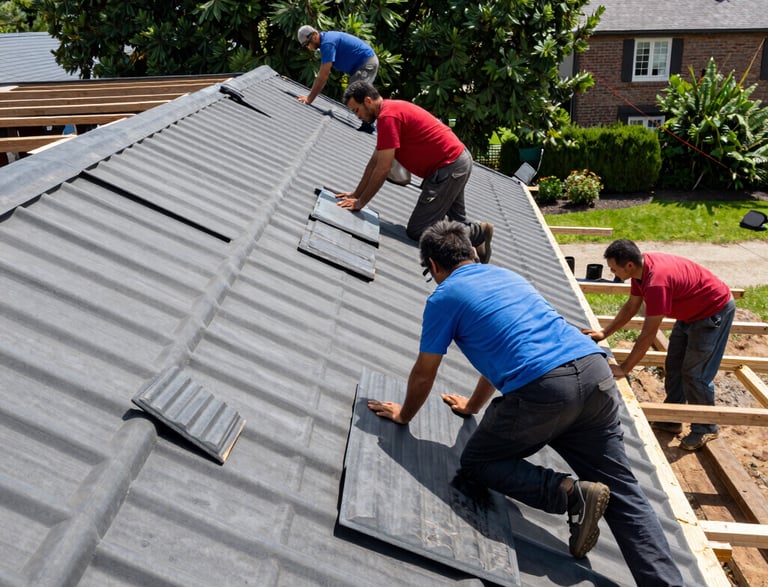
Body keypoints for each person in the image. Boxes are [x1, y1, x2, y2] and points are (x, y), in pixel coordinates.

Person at [368, 221, 683, 585]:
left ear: (435, 266)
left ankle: (570, 494)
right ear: (472, 254)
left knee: (478, 461)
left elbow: (425, 373)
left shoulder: (445, 296)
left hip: (545, 390)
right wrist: (472, 406)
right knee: (625, 492)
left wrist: (404, 414)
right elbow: (503, 351)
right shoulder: (508, 278)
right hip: (595, 373)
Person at [584, 238, 735, 451]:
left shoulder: (657, 282)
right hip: (690, 311)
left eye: (613, 268)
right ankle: (672, 418)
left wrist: (625, 368)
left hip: (713, 311)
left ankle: (706, 427)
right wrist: (603, 332)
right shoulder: (639, 273)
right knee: (674, 365)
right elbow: (631, 307)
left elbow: (648, 333)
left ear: (628, 265)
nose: (613, 273)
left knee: (695, 373)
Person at [337, 81, 494, 263]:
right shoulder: (390, 112)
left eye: (357, 110)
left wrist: (361, 203)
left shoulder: (389, 117)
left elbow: (383, 169)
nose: (358, 116)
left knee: (418, 231)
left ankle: (478, 232)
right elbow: (374, 162)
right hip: (456, 161)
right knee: (457, 221)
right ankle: (477, 239)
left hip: (449, 167)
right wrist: (356, 194)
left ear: (368, 101)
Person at [296, 25, 379, 105]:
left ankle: (384, 113)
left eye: (307, 44)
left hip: (366, 63)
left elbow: (323, 76)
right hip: (363, 65)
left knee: (356, 98)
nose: (308, 47)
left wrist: (309, 99)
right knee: (357, 98)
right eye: (305, 46)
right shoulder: (326, 40)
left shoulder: (327, 44)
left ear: (314, 36)